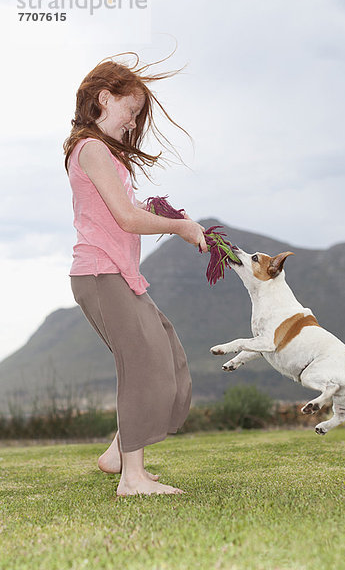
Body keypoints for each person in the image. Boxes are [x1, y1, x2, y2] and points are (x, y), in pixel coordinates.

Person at [63, 52, 207, 497]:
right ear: (104, 99)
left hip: (118, 274)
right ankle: (133, 477)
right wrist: (179, 227)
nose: (133, 122)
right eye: (131, 111)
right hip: (101, 274)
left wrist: (158, 211)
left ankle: (116, 454)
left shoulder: (105, 156)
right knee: (143, 365)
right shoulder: (90, 150)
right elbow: (124, 218)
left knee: (171, 360)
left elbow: (124, 211)